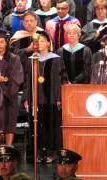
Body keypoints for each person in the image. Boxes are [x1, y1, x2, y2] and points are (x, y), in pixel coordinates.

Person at [23, 31, 68, 163]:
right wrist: (27, 98)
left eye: (42, 41)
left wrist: (60, 98)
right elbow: (27, 81)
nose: (39, 44)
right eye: (37, 41)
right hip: (36, 99)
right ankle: (39, 152)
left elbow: (62, 80)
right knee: (37, 126)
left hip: (52, 99)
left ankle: (51, 152)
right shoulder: (32, 59)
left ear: (49, 43)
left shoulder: (56, 59)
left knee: (51, 126)